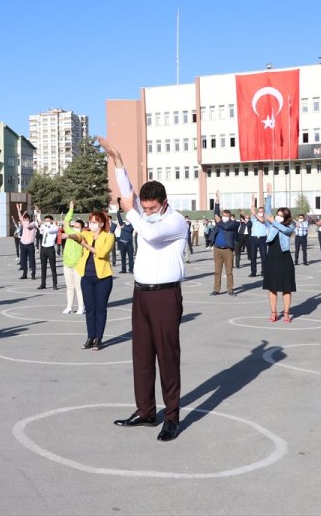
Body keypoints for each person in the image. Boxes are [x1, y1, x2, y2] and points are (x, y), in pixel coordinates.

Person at [101, 137, 188, 443]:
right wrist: (119, 163)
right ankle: (146, 411)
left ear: (163, 202)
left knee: (167, 357)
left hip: (166, 295)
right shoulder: (144, 212)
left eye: (152, 208)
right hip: (142, 294)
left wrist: (131, 211)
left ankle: (172, 417)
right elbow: (128, 196)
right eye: (145, 207)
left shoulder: (175, 221)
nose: (147, 212)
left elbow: (148, 233)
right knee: (141, 356)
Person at [66, 210, 114, 351]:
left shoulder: (108, 236)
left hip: (103, 278)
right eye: (90, 221)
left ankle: (98, 338)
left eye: (94, 222)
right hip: (86, 277)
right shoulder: (86, 234)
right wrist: (69, 235)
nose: (91, 224)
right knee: (90, 309)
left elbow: (102, 253)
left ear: (101, 223)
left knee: (100, 309)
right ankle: (90, 337)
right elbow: (78, 235)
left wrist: (86, 245)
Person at [253, 190, 297, 322]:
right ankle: (273, 312)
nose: (277, 217)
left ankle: (287, 313)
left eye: (281, 215)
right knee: (271, 287)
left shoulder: (290, 225)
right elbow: (267, 213)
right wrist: (269, 196)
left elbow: (285, 230)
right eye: (277, 214)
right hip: (271, 258)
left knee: (286, 287)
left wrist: (274, 222)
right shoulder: (270, 223)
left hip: (284, 258)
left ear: (286, 217)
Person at [210, 190, 239, 297]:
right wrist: (217, 202)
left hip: (228, 250)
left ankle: (230, 289)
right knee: (217, 271)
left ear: (230, 216)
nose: (224, 217)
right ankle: (216, 289)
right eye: (223, 215)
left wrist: (219, 221)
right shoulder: (219, 222)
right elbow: (216, 214)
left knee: (229, 271)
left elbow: (226, 227)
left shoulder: (234, 224)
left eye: (226, 215)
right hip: (217, 249)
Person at [61, 201, 85, 315]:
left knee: (78, 287)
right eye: (74, 226)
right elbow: (66, 222)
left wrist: (69, 235)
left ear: (82, 228)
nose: (75, 228)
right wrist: (71, 209)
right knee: (69, 287)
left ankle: (81, 307)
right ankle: (69, 306)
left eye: (77, 227)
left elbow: (75, 236)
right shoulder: (69, 230)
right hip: (67, 264)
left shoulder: (81, 236)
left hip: (77, 265)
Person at [36, 212, 59, 290]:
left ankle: (55, 284)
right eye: (45, 220)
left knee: (53, 267)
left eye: (48, 220)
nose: (46, 221)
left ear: (51, 221)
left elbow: (48, 230)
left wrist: (43, 224)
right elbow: (40, 228)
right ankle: (43, 284)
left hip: (50, 248)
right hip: (43, 248)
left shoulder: (54, 227)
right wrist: (38, 214)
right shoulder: (44, 226)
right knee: (43, 267)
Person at [248, 200, 269, 277]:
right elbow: (252, 210)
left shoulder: (265, 218)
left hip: (262, 239)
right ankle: (253, 272)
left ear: (264, 212)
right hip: (254, 239)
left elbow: (262, 220)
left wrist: (256, 214)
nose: (260, 212)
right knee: (253, 256)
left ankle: (264, 271)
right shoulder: (253, 218)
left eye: (262, 211)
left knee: (264, 256)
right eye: (259, 211)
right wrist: (253, 200)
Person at [16, 204, 37, 280]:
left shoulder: (33, 224)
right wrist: (19, 209)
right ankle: (24, 273)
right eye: (24, 219)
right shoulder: (23, 223)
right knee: (23, 259)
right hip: (22, 244)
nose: (25, 220)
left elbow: (31, 224)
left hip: (30, 244)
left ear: (29, 218)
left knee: (32, 260)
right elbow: (20, 217)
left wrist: (36, 211)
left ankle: (33, 273)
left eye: (26, 218)